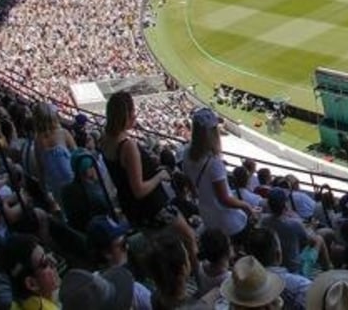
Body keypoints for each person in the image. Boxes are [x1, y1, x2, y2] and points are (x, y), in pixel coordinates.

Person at [99, 90, 173, 228]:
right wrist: (160, 176)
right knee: (189, 236)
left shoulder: (104, 138)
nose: (135, 115)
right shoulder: (127, 145)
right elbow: (138, 190)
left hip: (128, 205)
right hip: (149, 207)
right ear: (126, 115)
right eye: (132, 111)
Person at [182, 106, 253, 239]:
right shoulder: (213, 162)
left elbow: (190, 184)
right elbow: (224, 199)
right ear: (211, 132)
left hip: (207, 216)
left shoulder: (186, 153)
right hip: (229, 222)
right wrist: (246, 206)